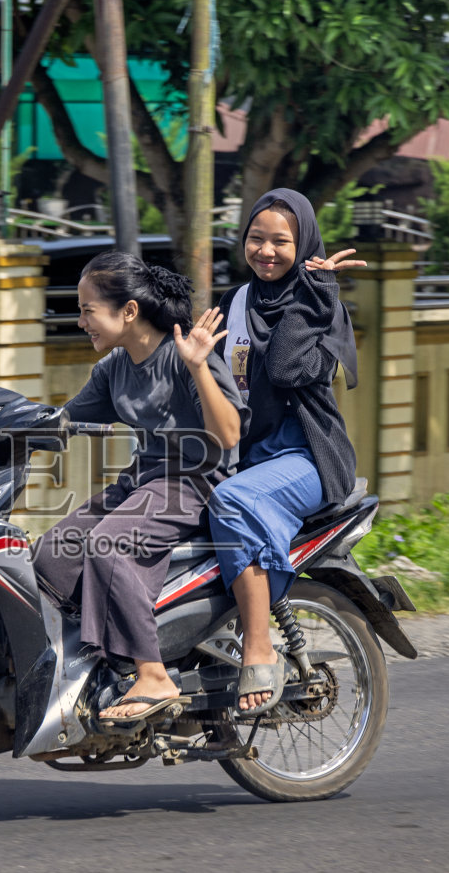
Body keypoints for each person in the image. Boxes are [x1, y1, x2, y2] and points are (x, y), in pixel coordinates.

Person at [32, 252, 247, 724]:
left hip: (198, 479)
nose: (81, 319)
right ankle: (98, 663)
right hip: (146, 477)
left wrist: (197, 367)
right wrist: (1, 428)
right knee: (51, 553)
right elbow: (62, 420)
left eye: (88, 309)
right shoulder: (115, 369)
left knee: (109, 545)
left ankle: (153, 674)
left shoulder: (184, 353)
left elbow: (229, 435)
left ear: (128, 311)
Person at [207, 188, 366, 717]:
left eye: (281, 241)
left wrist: (317, 291)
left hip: (309, 459)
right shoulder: (236, 301)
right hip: (249, 459)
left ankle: (259, 648)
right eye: (256, 238)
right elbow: (219, 381)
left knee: (232, 503)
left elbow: (286, 369)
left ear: (304, 244)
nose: (266, 251)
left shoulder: (321, 305)